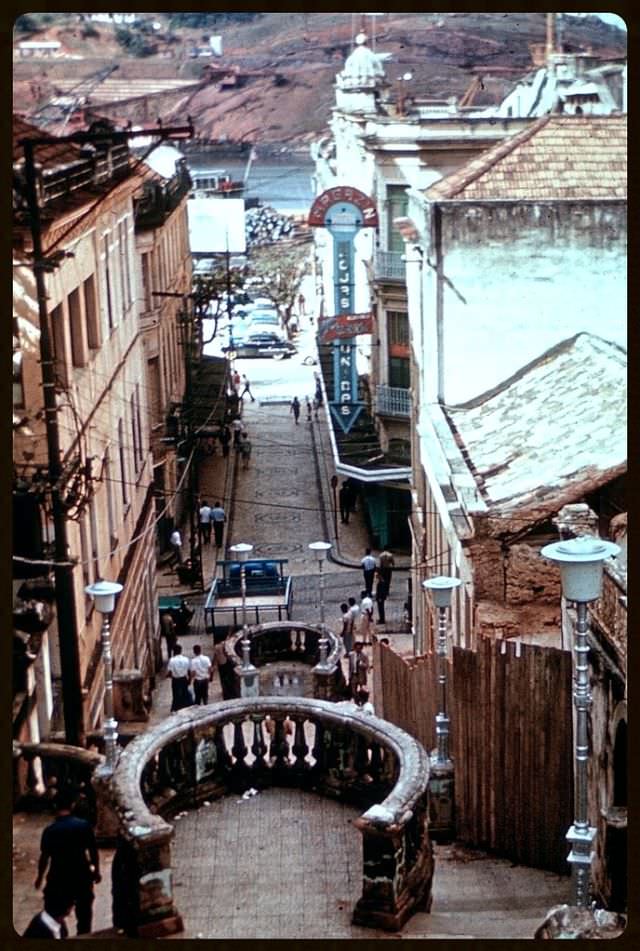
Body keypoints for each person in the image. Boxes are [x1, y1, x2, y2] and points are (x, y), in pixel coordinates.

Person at [34, 789, 101, 936]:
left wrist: (39, 878)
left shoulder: (50, 830)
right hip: (82, 875)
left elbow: (45, 857)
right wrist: (96, 871)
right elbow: (93, 851)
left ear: (55, 807)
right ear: (72, 805)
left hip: (59, 877)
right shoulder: (83, 826)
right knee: (84, 916)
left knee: (56, 916)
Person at [166, 644, 192, 712]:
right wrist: (189, 680)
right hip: (184, 679)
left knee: (175, 694)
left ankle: (175, 708)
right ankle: (185, 706)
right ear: (181, 651)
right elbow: (189, 671)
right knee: (184, 692)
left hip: (176, 680)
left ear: (173, 651)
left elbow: (170, 672)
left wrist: (167, 676)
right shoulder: (186, 659)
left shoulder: (172, 660)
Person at [214, 635, 238, 700]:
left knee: (223, 679)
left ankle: (225, 693)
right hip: (226, 663)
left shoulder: (216, 647)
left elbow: (215, 657)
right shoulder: (224, 644)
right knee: (229, 678)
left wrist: (214, 665)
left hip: (221, 664)